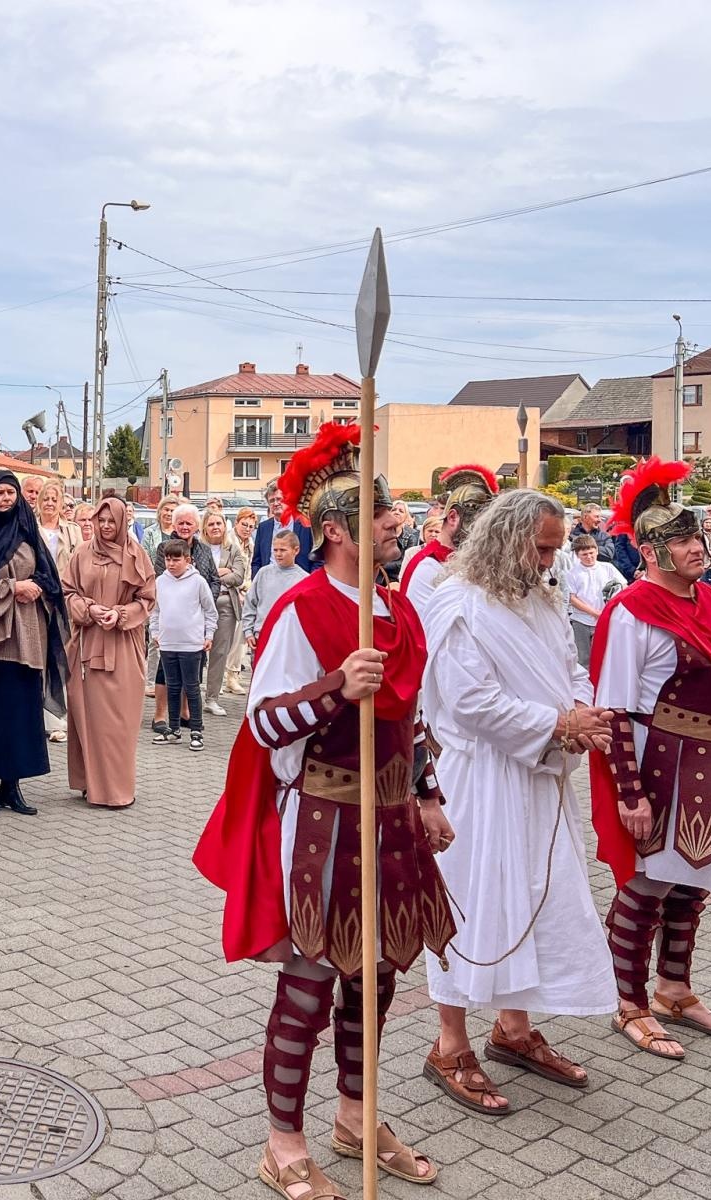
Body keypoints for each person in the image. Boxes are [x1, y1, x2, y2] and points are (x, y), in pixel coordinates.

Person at [193, 423, 453, 1191]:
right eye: (380, 517)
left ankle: (353, 1114)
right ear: (336, 530)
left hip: (392, 818)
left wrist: (428, 794)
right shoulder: (304, 609)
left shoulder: (399, 608)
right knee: (308, 985)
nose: (395, 524)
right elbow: (263, 722)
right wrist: (336, 685)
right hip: (322, 819)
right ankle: (281, 1142)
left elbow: (415, 720)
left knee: (373, 980)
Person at [418, 490, 618, 1116]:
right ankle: (449, 1045)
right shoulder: (457, 604)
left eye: (556, 549)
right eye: (541, 549)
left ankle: (513, 1028)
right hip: (480, 781)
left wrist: (581, 713)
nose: (549, 562)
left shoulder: (543, 598)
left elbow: (570, 668)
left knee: (537, 894)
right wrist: (562, 725)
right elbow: (470, 702)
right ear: (506, 540)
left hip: (540, 776)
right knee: (474, 903)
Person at [589, 457, 711, 1062]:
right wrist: (630, 793)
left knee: (691, 886)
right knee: (648, 883)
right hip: (660, 758)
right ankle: (628, 1002)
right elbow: (615, 708)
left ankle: (673, 988)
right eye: (681, 540)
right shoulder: (632, 611)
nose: (697, 547)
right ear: (650, 553)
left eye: (696, 536)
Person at [0, 468, 68, 818]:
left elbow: (50, 577)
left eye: (11, 493)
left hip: (28, 635)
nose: (5, 500)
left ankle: (12, 785)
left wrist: (36, 585)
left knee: (23, 712)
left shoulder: (27, 531)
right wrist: (12, 588)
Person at [62, 497, 155, 807]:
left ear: (121, 522)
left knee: (119, 722)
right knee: (88, 719)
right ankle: (91, 783)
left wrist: (120, 614)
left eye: (110, 521)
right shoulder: (81, 553)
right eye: (100, 520)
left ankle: (117, 789)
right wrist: (88, 609)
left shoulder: (136, 555)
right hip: (87, 645)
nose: (104, 526)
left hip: (123, 647)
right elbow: (67, 592)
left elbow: (147, 599)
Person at [150, 504, 219, 736]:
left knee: (191, 677)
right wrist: (155, 630)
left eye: (189, 523)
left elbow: (213, 579)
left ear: (196, 526)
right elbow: (160, 580)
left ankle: (186, 714)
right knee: (166, 674)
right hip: (169, 630)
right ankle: (162, 715)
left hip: (193, 626)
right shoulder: (164, 548)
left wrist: (204, 598)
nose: (185, 527)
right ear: (174, 525)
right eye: (181, 523)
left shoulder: (204, 550)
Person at [402, 464, 498, 613]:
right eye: (476, 525)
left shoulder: (468, 560)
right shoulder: (429, 566)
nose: (482, 534)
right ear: (453, 517)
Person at [204, 510, 249, 717]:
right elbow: (195, 574)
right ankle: (191, 696)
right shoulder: (198, 548)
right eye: (211, 523)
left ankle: (212, 698)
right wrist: (221, 572)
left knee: (220, 652)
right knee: (195, 652)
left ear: (225, 527)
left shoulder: (233, 549)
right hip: (200, 605)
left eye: (219, 524)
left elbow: (238, 577)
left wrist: (214, 575)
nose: (215, 527)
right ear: (205, 527)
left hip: (225, 605)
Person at [565, 534, 627, 666]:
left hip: (605, 619)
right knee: (583, 658)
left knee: (606, 656)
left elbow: (623, 586)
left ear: (597, 551)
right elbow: (572, 598)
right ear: (577, 555)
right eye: (584, 554)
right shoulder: (572, 573)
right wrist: (594, 612)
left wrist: (611, 605)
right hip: (581, 620)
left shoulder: (608, 568)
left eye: (591, 553)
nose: (589, 557)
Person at [242, 528, 308, 651]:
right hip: (261, 637)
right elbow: (250, 603)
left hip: (290, 641)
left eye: (283, 550)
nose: (278, 554)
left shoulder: (304, 580)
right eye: (275, 550)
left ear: (296, 550)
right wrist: (248, 631)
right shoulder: (263, 573)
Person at [251, 480, 317, 576]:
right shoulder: (263, 527)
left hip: (299, 583)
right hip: (269, 583)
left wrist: (310, 583)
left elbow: (317, 559)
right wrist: (258, 582)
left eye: (279, 499)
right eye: (272, 501)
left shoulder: (305, 525)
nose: (276, 503)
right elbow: (257, 561)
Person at [225, 507, 259, 694]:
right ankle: (222, 676)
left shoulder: (251, 543)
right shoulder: (229, 541)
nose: (247, 529)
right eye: (244, 524)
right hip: (229, 592)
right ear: (236, 523)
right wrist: (238, 589)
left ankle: (233, 675)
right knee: (225, 637)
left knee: (241, 637)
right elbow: (226, 570)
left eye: (251, 526)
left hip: (247, 593)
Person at [35, 481, 83, 577]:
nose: (49, 503)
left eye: (54, 500)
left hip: (66, 588)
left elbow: (81, 564)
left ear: (61, 504)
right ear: (39, 502)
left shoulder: (74, 530)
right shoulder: (29, 529)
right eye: (45, 499)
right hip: (39, 588)